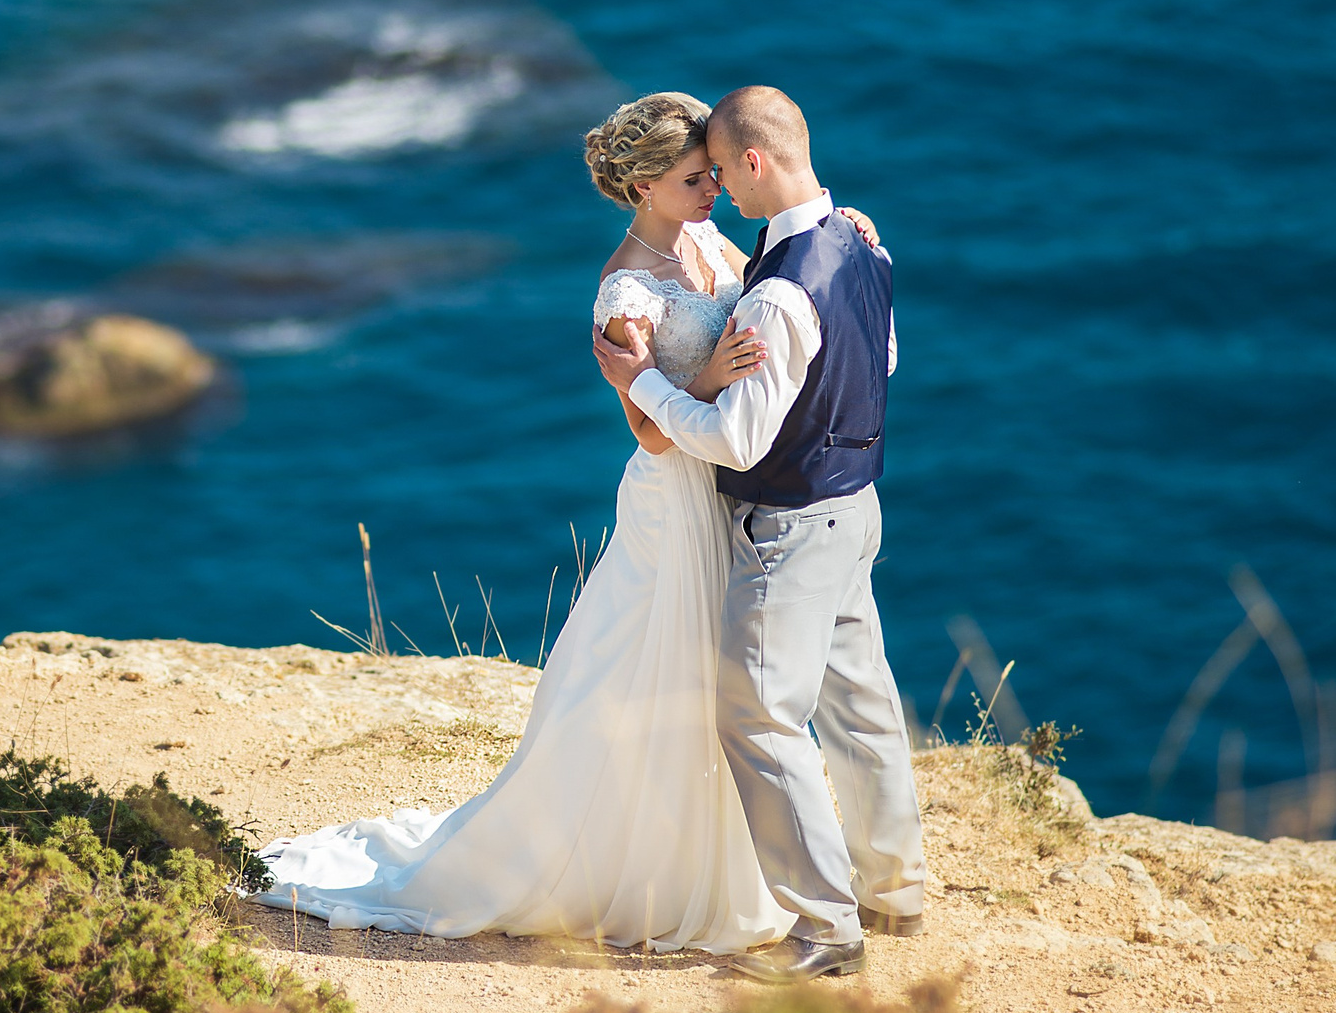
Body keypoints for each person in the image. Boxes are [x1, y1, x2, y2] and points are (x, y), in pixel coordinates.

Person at [249, 91, 872, 951]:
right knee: (640, 679)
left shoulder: (702, 238)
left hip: (723, 499)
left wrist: (840, 233)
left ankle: (726, 860)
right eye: (695, 179)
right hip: (671, 500)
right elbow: (648, 429)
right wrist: (706, 380)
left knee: (715, 691)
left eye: (713, 174)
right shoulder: (625, 291)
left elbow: (770, 268)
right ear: (647, 188)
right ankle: (633, 867)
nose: (713, 191)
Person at [594, 84, 926, 983]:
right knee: (860, 702)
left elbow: (737, 435)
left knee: (758, 713)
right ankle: (895, 890)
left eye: (719, 176)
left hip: (791, 525)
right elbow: (881, 356)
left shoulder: (779, 290)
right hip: (857, 506)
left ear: (750, 162)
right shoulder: (861, 243)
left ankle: (827, 928)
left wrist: (650, 386)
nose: (718, 197)